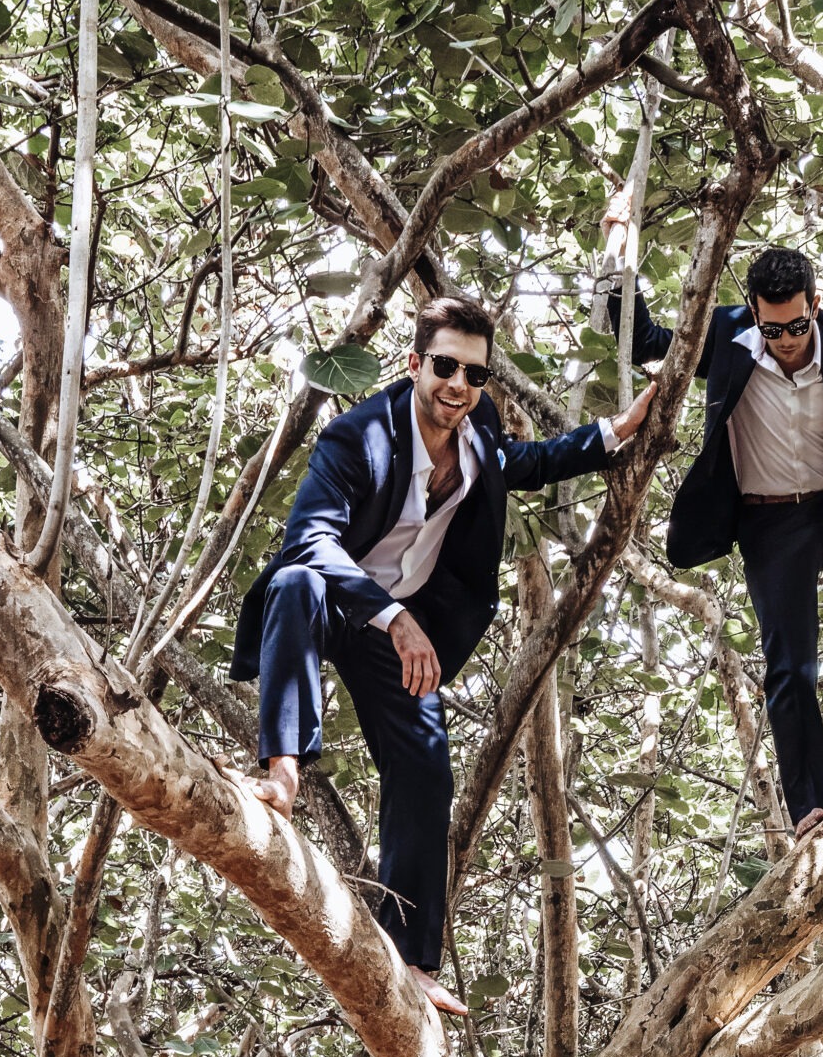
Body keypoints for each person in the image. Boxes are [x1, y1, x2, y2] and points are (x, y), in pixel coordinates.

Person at [231, 295, 655, 1016]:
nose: (460, 385)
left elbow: (519, 464)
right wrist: (393, 616)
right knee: (296, 580)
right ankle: (282, 774)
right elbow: (308, 539)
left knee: (427, 770)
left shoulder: (476, 424)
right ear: (413, 363)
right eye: (446, 367)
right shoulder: (354, 437)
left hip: (406, 630)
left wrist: (613, 433)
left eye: (475, 374)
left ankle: (411, 961)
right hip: (341, 604)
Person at [606, 238, 823, 834]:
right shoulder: (728, 336)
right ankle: (812, 809)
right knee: (790, 667)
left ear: (815, 306)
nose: (784, 340)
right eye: (771, 328)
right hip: (771, 524)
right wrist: (617, 260)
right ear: (755, 314)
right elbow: (645, 342)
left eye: (795, 325)